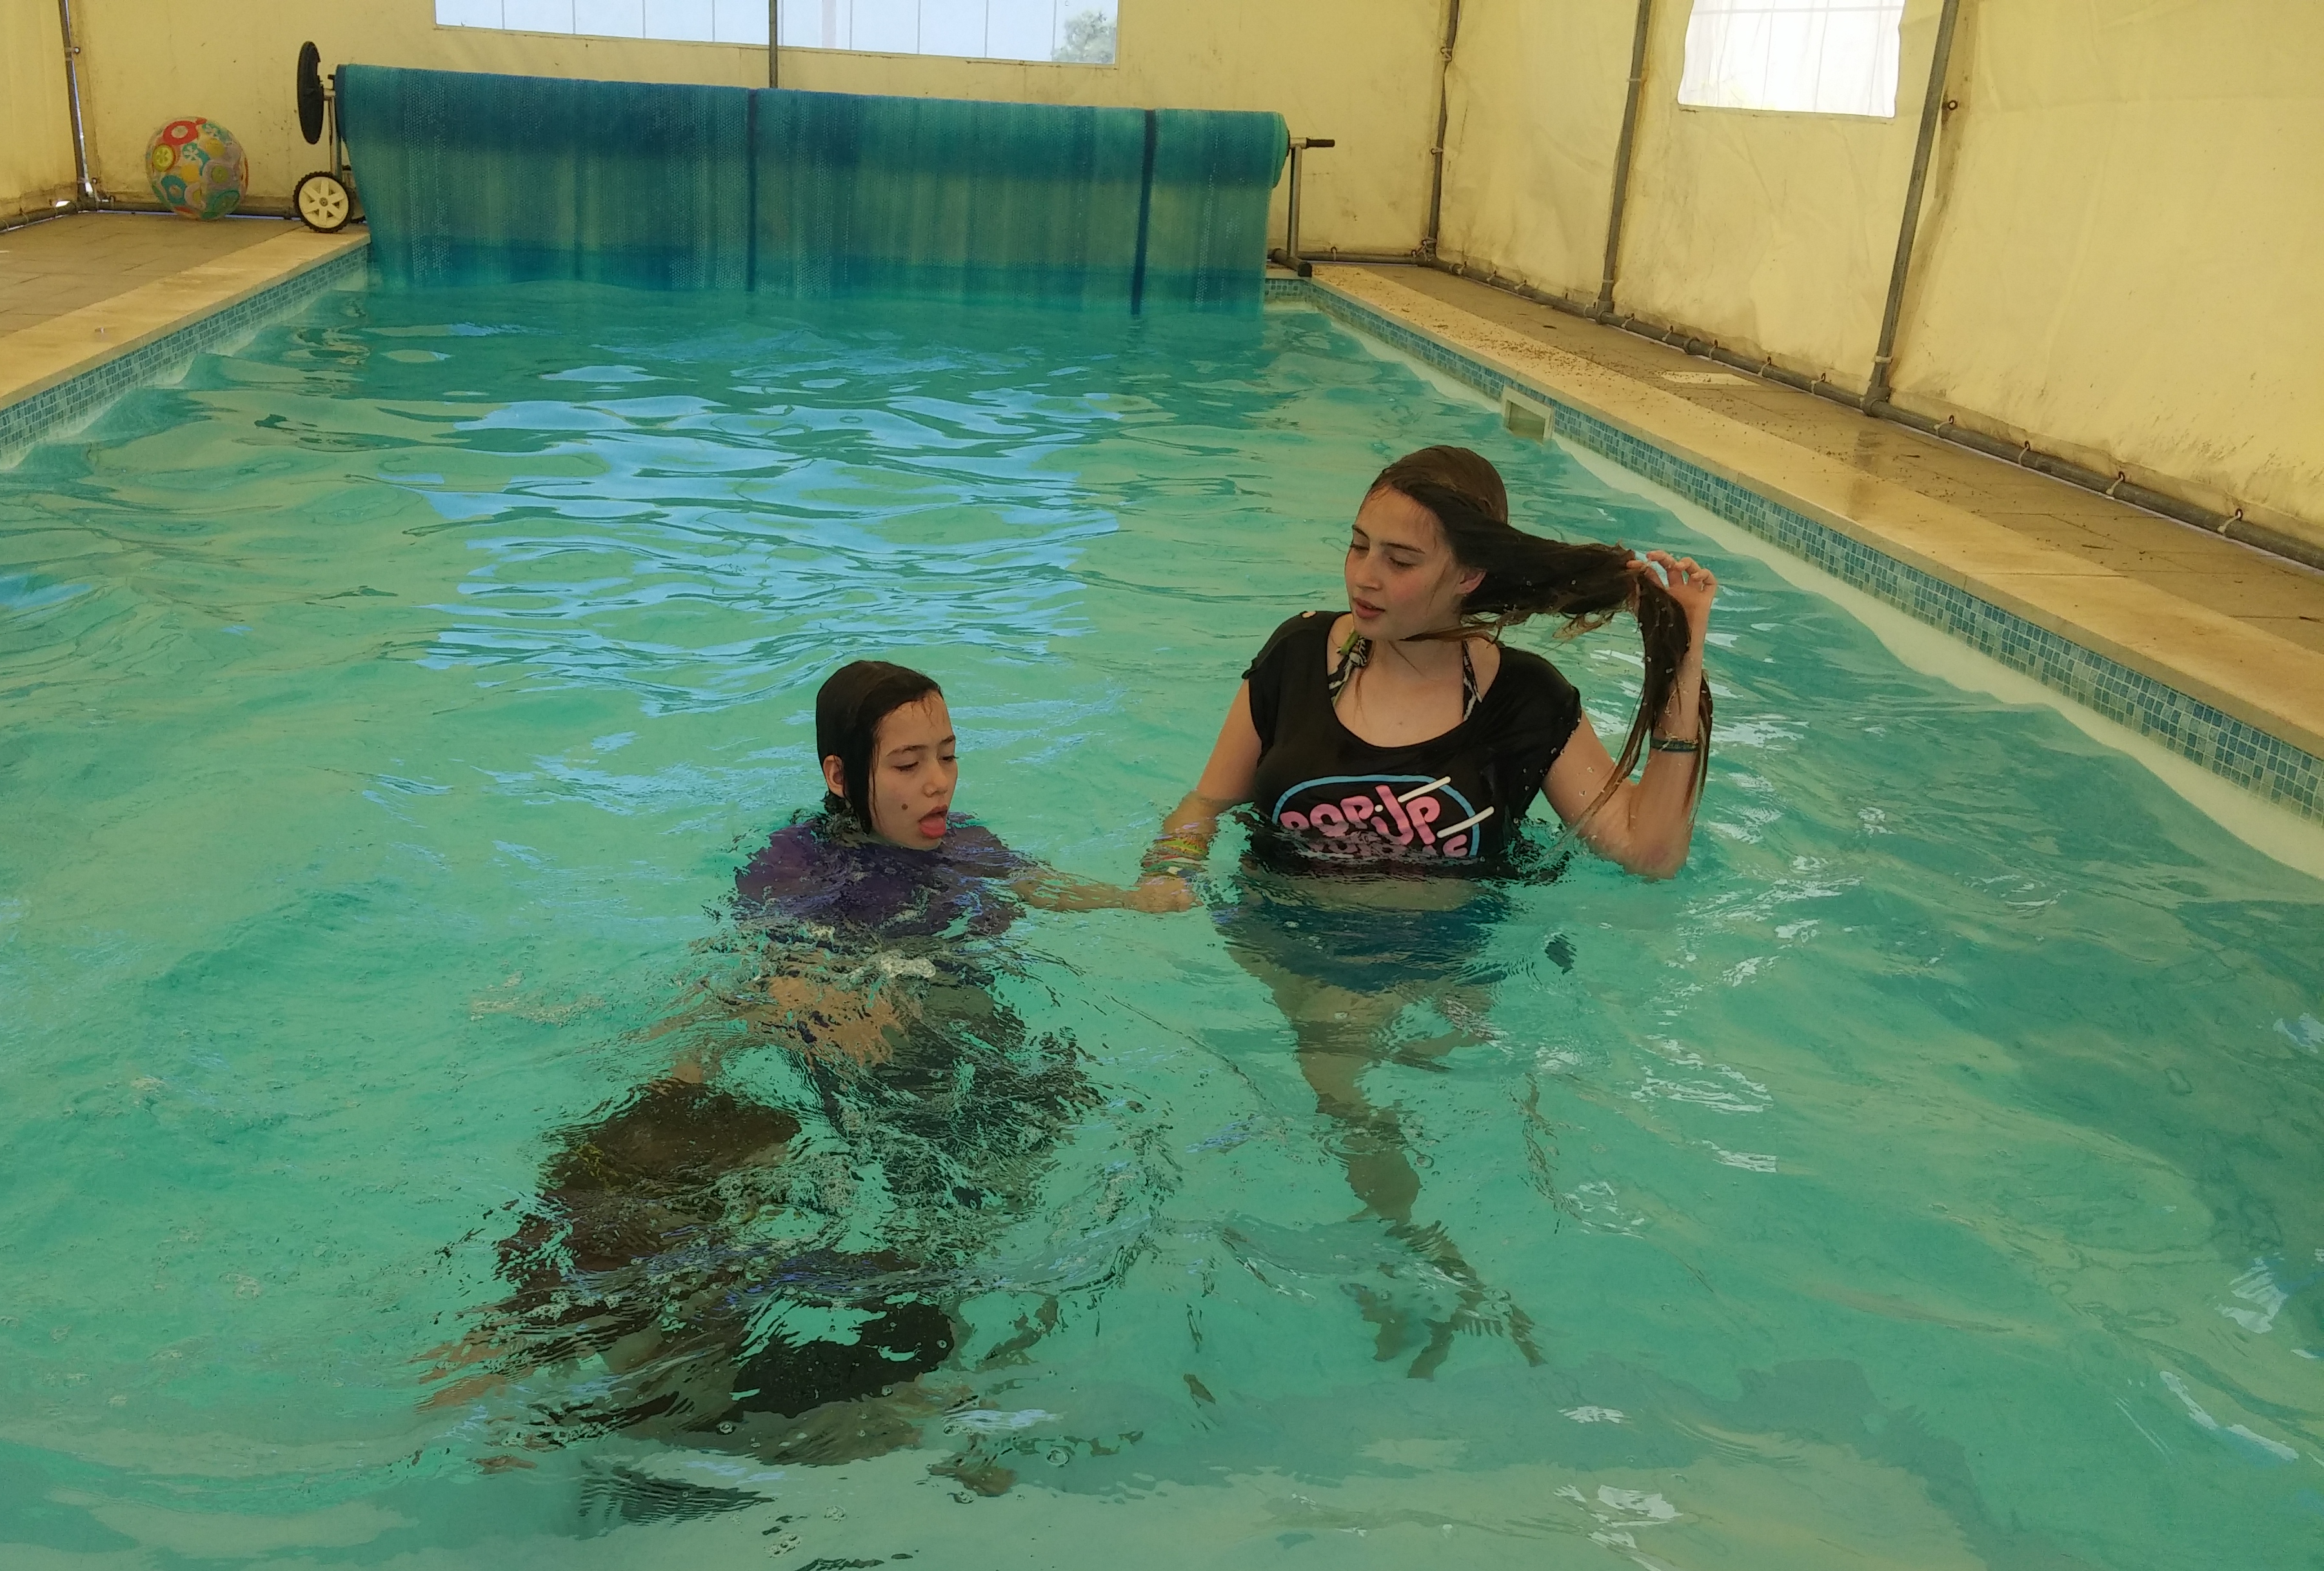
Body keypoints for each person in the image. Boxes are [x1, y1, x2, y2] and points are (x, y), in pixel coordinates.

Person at [426, 660, 1164, 1468]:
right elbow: (764, 968)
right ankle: (535, 1352)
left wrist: (1134, 899)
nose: (937, 784)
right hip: (866, 1071)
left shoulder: (966, 845)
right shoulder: (794, 866)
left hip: (967, 1053)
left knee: (970, 1234)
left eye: (948, 756)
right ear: (839, 776)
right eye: (907, 764)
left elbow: (1037, 884)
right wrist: (824, 998)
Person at [1133, 446, 1721, 1374]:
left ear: (1469, 575)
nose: (1364, 576)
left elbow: (1649, 852)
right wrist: (1169, 868)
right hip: (1288, 929)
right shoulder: (1297, 655)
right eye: (1357, 545)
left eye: (1400, 559)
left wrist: (1683, 663)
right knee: (1343, 1068)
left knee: (1407, 1081)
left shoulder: (1523, 698)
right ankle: (1417, 1248)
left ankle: (1429, 1251)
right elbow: (1205, 801)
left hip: (1454, 944)